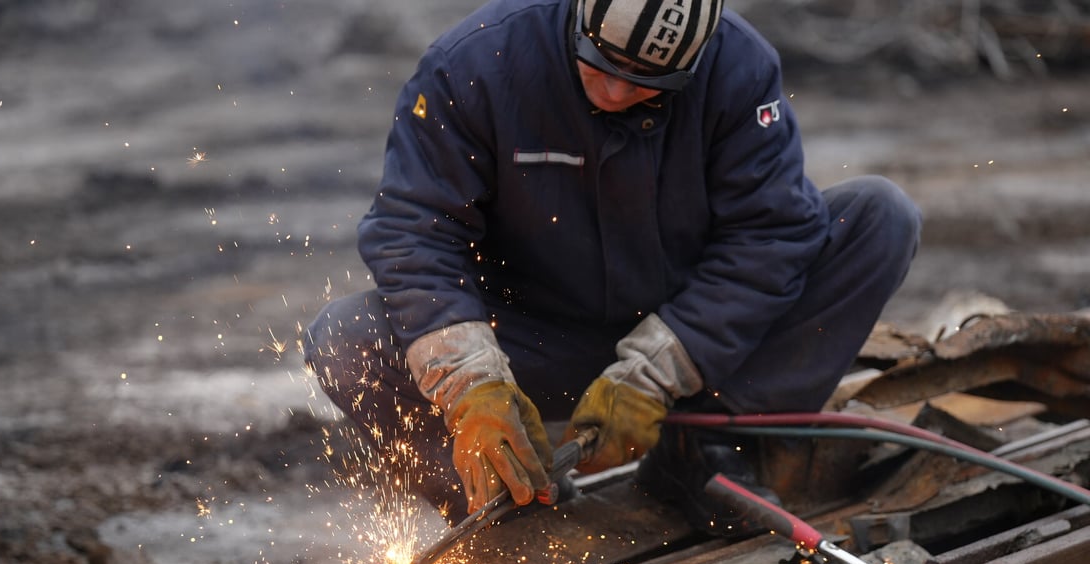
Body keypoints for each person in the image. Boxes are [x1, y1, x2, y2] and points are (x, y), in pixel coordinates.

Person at [302, 0, 922, 533]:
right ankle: (506, 497)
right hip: (533, 339)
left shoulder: (739, 67)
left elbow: (773, 234)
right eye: (602, 66)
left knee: (878, 217)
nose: (619, 92)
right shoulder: (477, 63)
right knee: (343, 339)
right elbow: (414, 232)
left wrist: (658, 370)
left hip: (696, 341)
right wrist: (474, 385)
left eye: (649, 81)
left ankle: (703, 450)